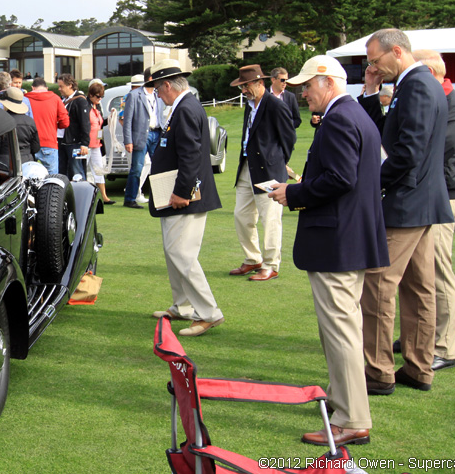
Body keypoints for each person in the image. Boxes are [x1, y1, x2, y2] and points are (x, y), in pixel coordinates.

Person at [269, 55, 388, 448]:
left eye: (308, 85)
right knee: (342, 327)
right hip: (347, 236)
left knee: (340, 331)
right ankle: (343, 404)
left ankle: (352, 418)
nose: (303, 93)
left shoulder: (340, 118)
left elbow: (341, 178)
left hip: (338, 239)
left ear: (329, 83)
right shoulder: (353, 115)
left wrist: (295, 193)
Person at [358, 28, 453, 394]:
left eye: (376, 61)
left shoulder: (415, 85)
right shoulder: (415, 83)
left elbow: (408, 152)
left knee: (379, 284)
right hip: (420, 200)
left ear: (396, 52)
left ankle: (379, 372)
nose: (374, 67)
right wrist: (369, 93)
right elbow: (385, 133)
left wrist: (374, 181)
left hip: (406, 203)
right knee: (419, 289)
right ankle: (417, 366)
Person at [147, 59, 224, 337]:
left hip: (185, 194)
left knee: (182, 253)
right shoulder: (183, 107)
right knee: (173, 252)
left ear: (167, 85)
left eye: (157, 89)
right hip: (176, 192)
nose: (157, 94)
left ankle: (209, 313)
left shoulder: (187, 108)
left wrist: (182, 192)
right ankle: (183, 305)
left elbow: (191, 155)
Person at [411, 50, 455, 372]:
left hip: (444, 197)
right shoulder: (437, 100)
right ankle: (419, 337)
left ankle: (445, 346)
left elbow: (430, 150)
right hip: (426, 196)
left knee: (438, 272)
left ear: (431, 73)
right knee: (419, 273)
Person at [228, 65, 296, 281]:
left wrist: (278, 162)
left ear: (259, 83)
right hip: (247, 167)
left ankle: (271, 265)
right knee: (242, 215)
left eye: (246, 86)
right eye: (241, 87)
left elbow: (289, 139)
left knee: (270, 219)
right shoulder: (249, 105)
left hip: (269, 170)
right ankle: (253, 259)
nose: (243, 91)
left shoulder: (275, 105)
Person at [122, 70, 163, 208]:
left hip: (156, 133)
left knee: (159, 167)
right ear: (150, 78)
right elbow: (127, 120)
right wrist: (128, 140)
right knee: (137, 168)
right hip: (141, 135)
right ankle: (130, 199)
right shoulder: (134, 95)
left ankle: (159, 199)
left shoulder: (158, 94)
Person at [25, 77, 69, 174]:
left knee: (28, 176)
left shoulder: (25, 99)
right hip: (49, 142)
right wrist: (55, 125)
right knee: (52, 178)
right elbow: (65, 122)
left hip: (29, 143)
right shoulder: (55, 99)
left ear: (33, 88)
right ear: (47, 88)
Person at [56, 73, 90, 180]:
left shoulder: (80, 100)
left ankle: (81, 194)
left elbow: (85, 123)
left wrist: (84, 143)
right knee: (63, 171)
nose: (59, 89)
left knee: (77, 171)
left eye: (61, 86)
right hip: (61, 141)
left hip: (76, 143)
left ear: (70, 85)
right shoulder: (62, 100)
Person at [85, 82, 114, 204]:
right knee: (82, 170)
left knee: (99, 170)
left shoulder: (97, 106)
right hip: (86, 144)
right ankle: (84, 196)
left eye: (101, 96)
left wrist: (111, 117)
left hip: (96, 143)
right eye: (98, 96)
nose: (100, 99)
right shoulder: (86, 106)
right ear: (91, 95)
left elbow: (100, 123)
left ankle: (104, 196)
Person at [0, 87, 40, 164]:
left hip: (5, 163)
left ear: (6, 105)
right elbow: (36, 148)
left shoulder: (1, 121)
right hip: (26, 162)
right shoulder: (30, 122)